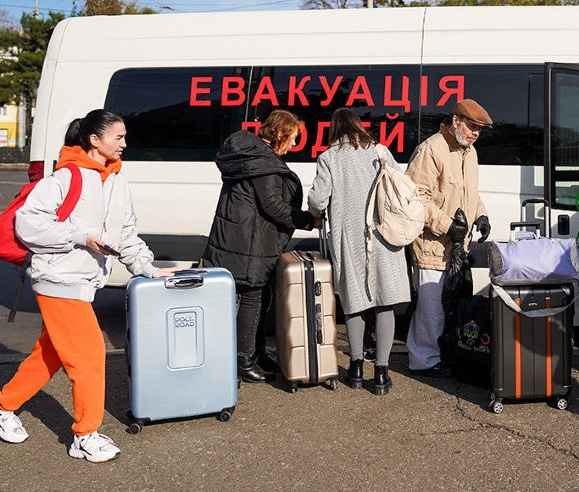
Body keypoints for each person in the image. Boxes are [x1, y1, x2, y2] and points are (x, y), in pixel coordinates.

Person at [0, 109, 180, 462]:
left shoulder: (116, 180)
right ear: (95, 140)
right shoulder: (65, 178)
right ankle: (85, 435)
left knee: (49, 354)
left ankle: (4, 405)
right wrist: (80, 237)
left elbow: (126, 234)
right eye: (119, 137)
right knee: (89, 355)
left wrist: (147, 268)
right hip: (57, 279)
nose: (125, 143)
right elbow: (28, 224)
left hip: (82, 281)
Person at [201, 109, 313, 384]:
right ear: (280, 134)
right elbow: (274, 207)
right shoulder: (264, 165)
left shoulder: (249, 158)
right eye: (293, 138)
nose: (294, 144)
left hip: (240, 237)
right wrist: (310, 220)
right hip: (249, 242)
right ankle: (243, 359)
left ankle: (256, 353)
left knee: (259, 297)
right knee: (252, 298)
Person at [307, 108, 411, 396]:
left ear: (334, 129)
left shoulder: (329, 158)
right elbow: (400, 188)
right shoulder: (380, 152)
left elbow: (317, 200)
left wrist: (316, 212)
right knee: (385, 302)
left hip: (348, 238)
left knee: (354, 301)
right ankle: (380, 373)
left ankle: (354, 369)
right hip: (384, 236)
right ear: (358, 126)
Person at [405, 99, 492, 378]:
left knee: (450, 306)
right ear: (456, 121)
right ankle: (423, 361)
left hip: (457, 246)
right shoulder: (431, 149)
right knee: (431, 308)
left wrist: (481, 215)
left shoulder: (470, 152)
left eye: (479, 129)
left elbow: (470, 193)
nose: (475, 133)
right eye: (471, 126)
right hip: (432, 245)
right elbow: (416, 198)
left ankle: (443, 355)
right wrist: (446, 226)